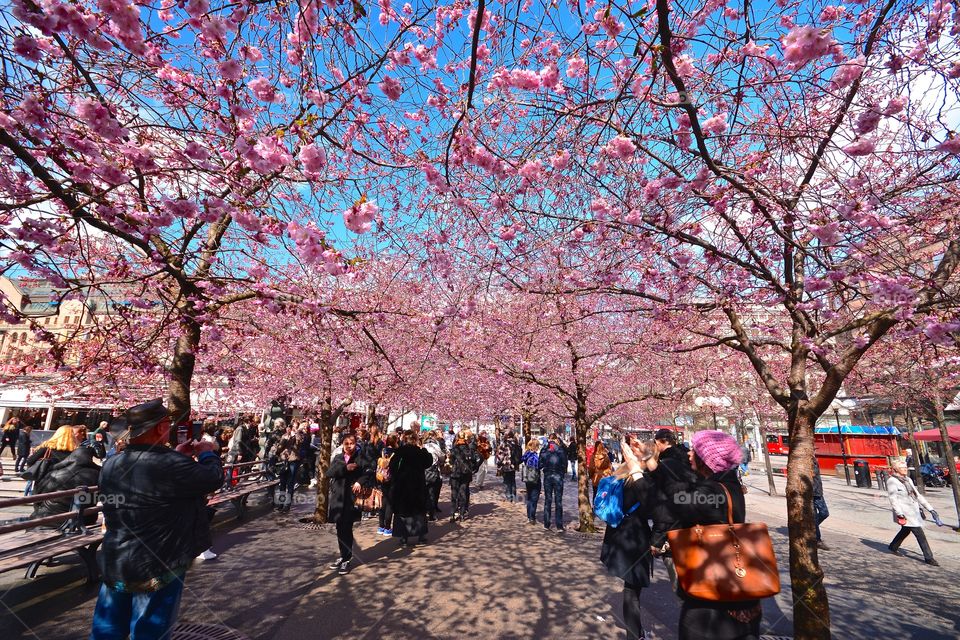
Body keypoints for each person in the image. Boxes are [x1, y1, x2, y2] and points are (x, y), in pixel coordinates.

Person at [90, 399, 223, 639]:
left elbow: (148, 477)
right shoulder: (170, 464)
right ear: (161, 427)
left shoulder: (112, 463)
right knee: (150, 629)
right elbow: (213, 479)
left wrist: (175, 455)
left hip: (116, 556)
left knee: (107, 627)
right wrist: (206, 454)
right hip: (159, 559)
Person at [649, 429, 761, 640]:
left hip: (712, 599)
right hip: (728, 588)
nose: (689, 454)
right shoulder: (727, 485)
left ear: (707, 459)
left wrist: (642, 473)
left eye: (695, 451)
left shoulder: (713, 492)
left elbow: (674, 503)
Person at [602, 437, 656, 640]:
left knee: (630, 588)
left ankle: (635, 632)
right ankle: (634, 635)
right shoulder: (641, 480)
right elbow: (651, 510)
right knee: (632, 590)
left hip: (619, 534)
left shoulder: (622, 473)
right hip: (634, 538)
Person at [647, 428, 698, 592]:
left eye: (656, 442)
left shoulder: (666, 465)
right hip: (691, 531)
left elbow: (665, 507)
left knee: (681, 586)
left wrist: (657, 539)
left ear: (661, 442)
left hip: (674, 535)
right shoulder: (686, 460)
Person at [326, 433, 372, 574]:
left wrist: (359, 482)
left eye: (352, 443)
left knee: (347, 528)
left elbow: (369, 471)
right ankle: (343, 555)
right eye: (346, 443)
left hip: (351, 499)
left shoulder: (360, 457)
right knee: (340, 529)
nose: (349, 446)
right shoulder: (338, 457)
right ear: (342, 444)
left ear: (355, 443)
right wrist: (345, 468)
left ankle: (346, 558)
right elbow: (329, 473)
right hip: (338, 498)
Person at [32, 442, 101, 525]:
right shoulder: (98, 474)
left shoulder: (55, 473)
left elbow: (37, 497)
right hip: (86, 519)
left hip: (51, 518)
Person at [887, 459, 940, 566]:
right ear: (896, 469)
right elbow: (893, 499)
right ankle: (929, 557)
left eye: (905, 467)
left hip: (914, 510)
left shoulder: (908, 479)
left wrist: (930, 509)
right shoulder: (892, 481)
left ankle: (893, 546)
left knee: (906, 530)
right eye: (902, 468)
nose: (905, 469)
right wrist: (899, 513)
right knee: (920, 534)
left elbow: (917, 495)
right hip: (905, 512)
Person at [389, 430, 434, 546]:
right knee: (419, 510)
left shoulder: (400, 451)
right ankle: (421, 536)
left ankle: (404, 537)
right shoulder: (420, 452)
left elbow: (392, 467)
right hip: (417, 484)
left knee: (403, 511)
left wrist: (396, 477)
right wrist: (424, 450)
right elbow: (429, 462)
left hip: (402, 485)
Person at [22, 425, 80, 495]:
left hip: (45, 483)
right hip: (66, 484)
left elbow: (30, 461)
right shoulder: (76, 451)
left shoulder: (47, 447)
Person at [538, 433, 568, 531]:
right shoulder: (560, 450)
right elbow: (565, 464)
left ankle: (546, 524)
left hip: (548, 476)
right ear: (555, 439)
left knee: (548, 500)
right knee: (558, 501)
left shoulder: (544, 450)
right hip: (558, 476)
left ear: (548, 439)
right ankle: (559, 525)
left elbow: (539, 465)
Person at [448, 429, 478, 522]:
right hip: (465, 474)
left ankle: (453, 514)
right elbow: (474, 460)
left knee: (454, 493)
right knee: (463, 493)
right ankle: (461, 514)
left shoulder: (454, 449)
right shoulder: (469, 449)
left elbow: (450, 461)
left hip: (455, 473)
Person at [376, 434, 398, 536]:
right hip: (392, 480)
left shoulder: (383, 450)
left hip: (382, 479)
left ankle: (381, 526)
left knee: (383, 502)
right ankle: (387, 527)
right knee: (390, 503)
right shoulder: (396, 452)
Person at [423, 430, 445, 521]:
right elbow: (442, 457)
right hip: (433, 470)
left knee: (424, 492)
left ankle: (424, 511)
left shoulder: (423, 445)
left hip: (423, 470)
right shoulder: (435, 446)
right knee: (432, 492)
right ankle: (431, 514)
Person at [496, 430, 522, 502]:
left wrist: (499, 463)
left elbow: (500, 456)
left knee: (507, 481)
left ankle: (509, 497)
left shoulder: (504, 444)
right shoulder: (515, 443)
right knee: (512, 481)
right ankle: (513, 496)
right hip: (513, 465)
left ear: (507, 435)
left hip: (506, 465)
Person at [520, 438, 542, 524]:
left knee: (529, 497)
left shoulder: (527, 454)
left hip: (527, 478)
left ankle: (529, 516)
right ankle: (532, 517)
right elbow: (538, 466)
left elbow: (522, 459)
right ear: (536, 446)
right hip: (535, 478)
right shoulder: (535, 456)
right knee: (534, 498)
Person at [812, 458, 830, 551]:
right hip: (810, 494)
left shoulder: (814, 460)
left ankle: (811, 528)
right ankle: (817, 540)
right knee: (814, 517)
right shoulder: (805, 461)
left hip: (818, 492)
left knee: (824, 513)